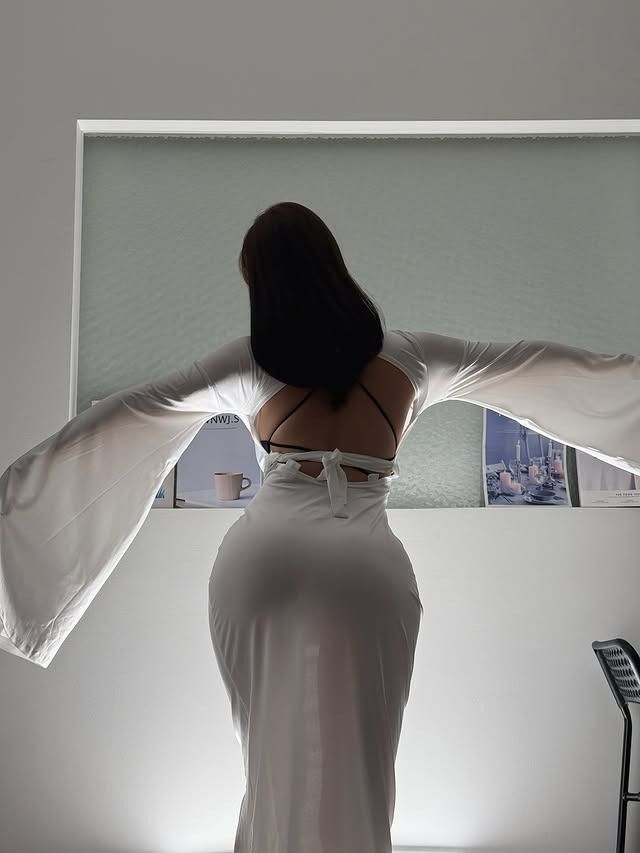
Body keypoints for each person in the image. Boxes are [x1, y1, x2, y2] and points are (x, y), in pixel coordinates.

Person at [1, 201, 639, 852]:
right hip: (365, 573)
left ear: (261, 284)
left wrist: (13, 502)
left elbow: (127, 415)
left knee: (267, 763)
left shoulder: (249, 363)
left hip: (263, 565)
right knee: (362, 768)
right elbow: (539, 367)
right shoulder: (412, 357)